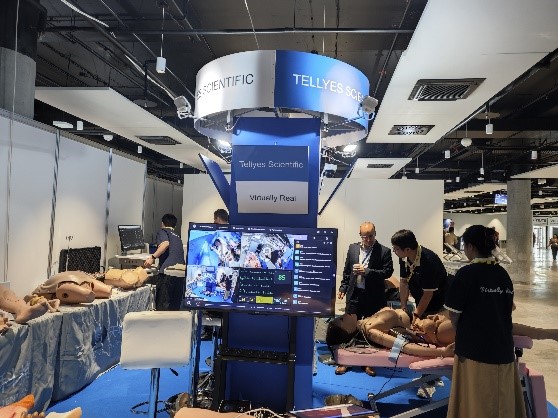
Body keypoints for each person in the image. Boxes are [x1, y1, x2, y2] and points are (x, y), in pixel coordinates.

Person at [445, 225, 525, 418]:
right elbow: (507, 310)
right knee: (501, 402)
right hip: (503, 349)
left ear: (470, 247)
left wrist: (461, 333)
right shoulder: (503, 275)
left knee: (478, 403)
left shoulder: (466, 274)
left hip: (475, 351)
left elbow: (453, 315)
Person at [336, 221, 394, 376]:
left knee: (371, 330)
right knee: (348, 328)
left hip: (373, 297)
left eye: (370, 236)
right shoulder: (353, 248)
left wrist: (367, 271)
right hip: (354, 294)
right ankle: (345, 361)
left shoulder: (384, 251)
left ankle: (369, 362)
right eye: (364, 236)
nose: (367, 239)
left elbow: (387, 272)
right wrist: (343, 287)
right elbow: (347, 270)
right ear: (359, 235)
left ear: (375, 234)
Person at [391, 229, 448, 322]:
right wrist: (403, 307)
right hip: (420, 300)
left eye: (396, 249)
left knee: (427, 327)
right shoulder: (404, 257)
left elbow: (428, 294)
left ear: (407, 249)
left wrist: (416, 315)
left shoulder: (429, 261)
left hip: (436, 304)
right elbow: (403, 282)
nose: (394, 251)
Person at [144, 213, 185, 310]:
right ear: (175, 226)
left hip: (168, 273)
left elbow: (165, 244)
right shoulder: (177, 236)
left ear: (162, 223)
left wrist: (152, 257)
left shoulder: (163, 231)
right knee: (174, 307)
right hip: (180, 274)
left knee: (162, 307)